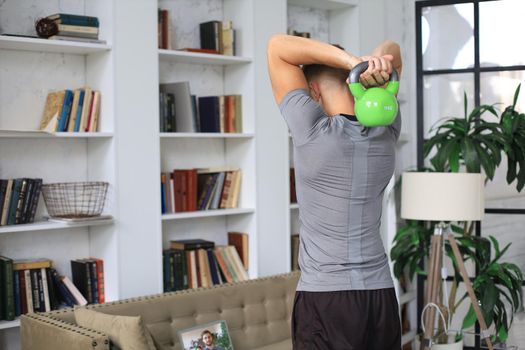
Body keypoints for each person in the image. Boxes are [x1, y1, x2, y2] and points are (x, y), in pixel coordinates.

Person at [267, 34, 403, 350]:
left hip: (326, 300)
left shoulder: (313, 132)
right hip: (381, 296)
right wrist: (373, 61)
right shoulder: (386, 130)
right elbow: (394, 51)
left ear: (312, 94)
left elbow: (276, 47)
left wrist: (350, 62)